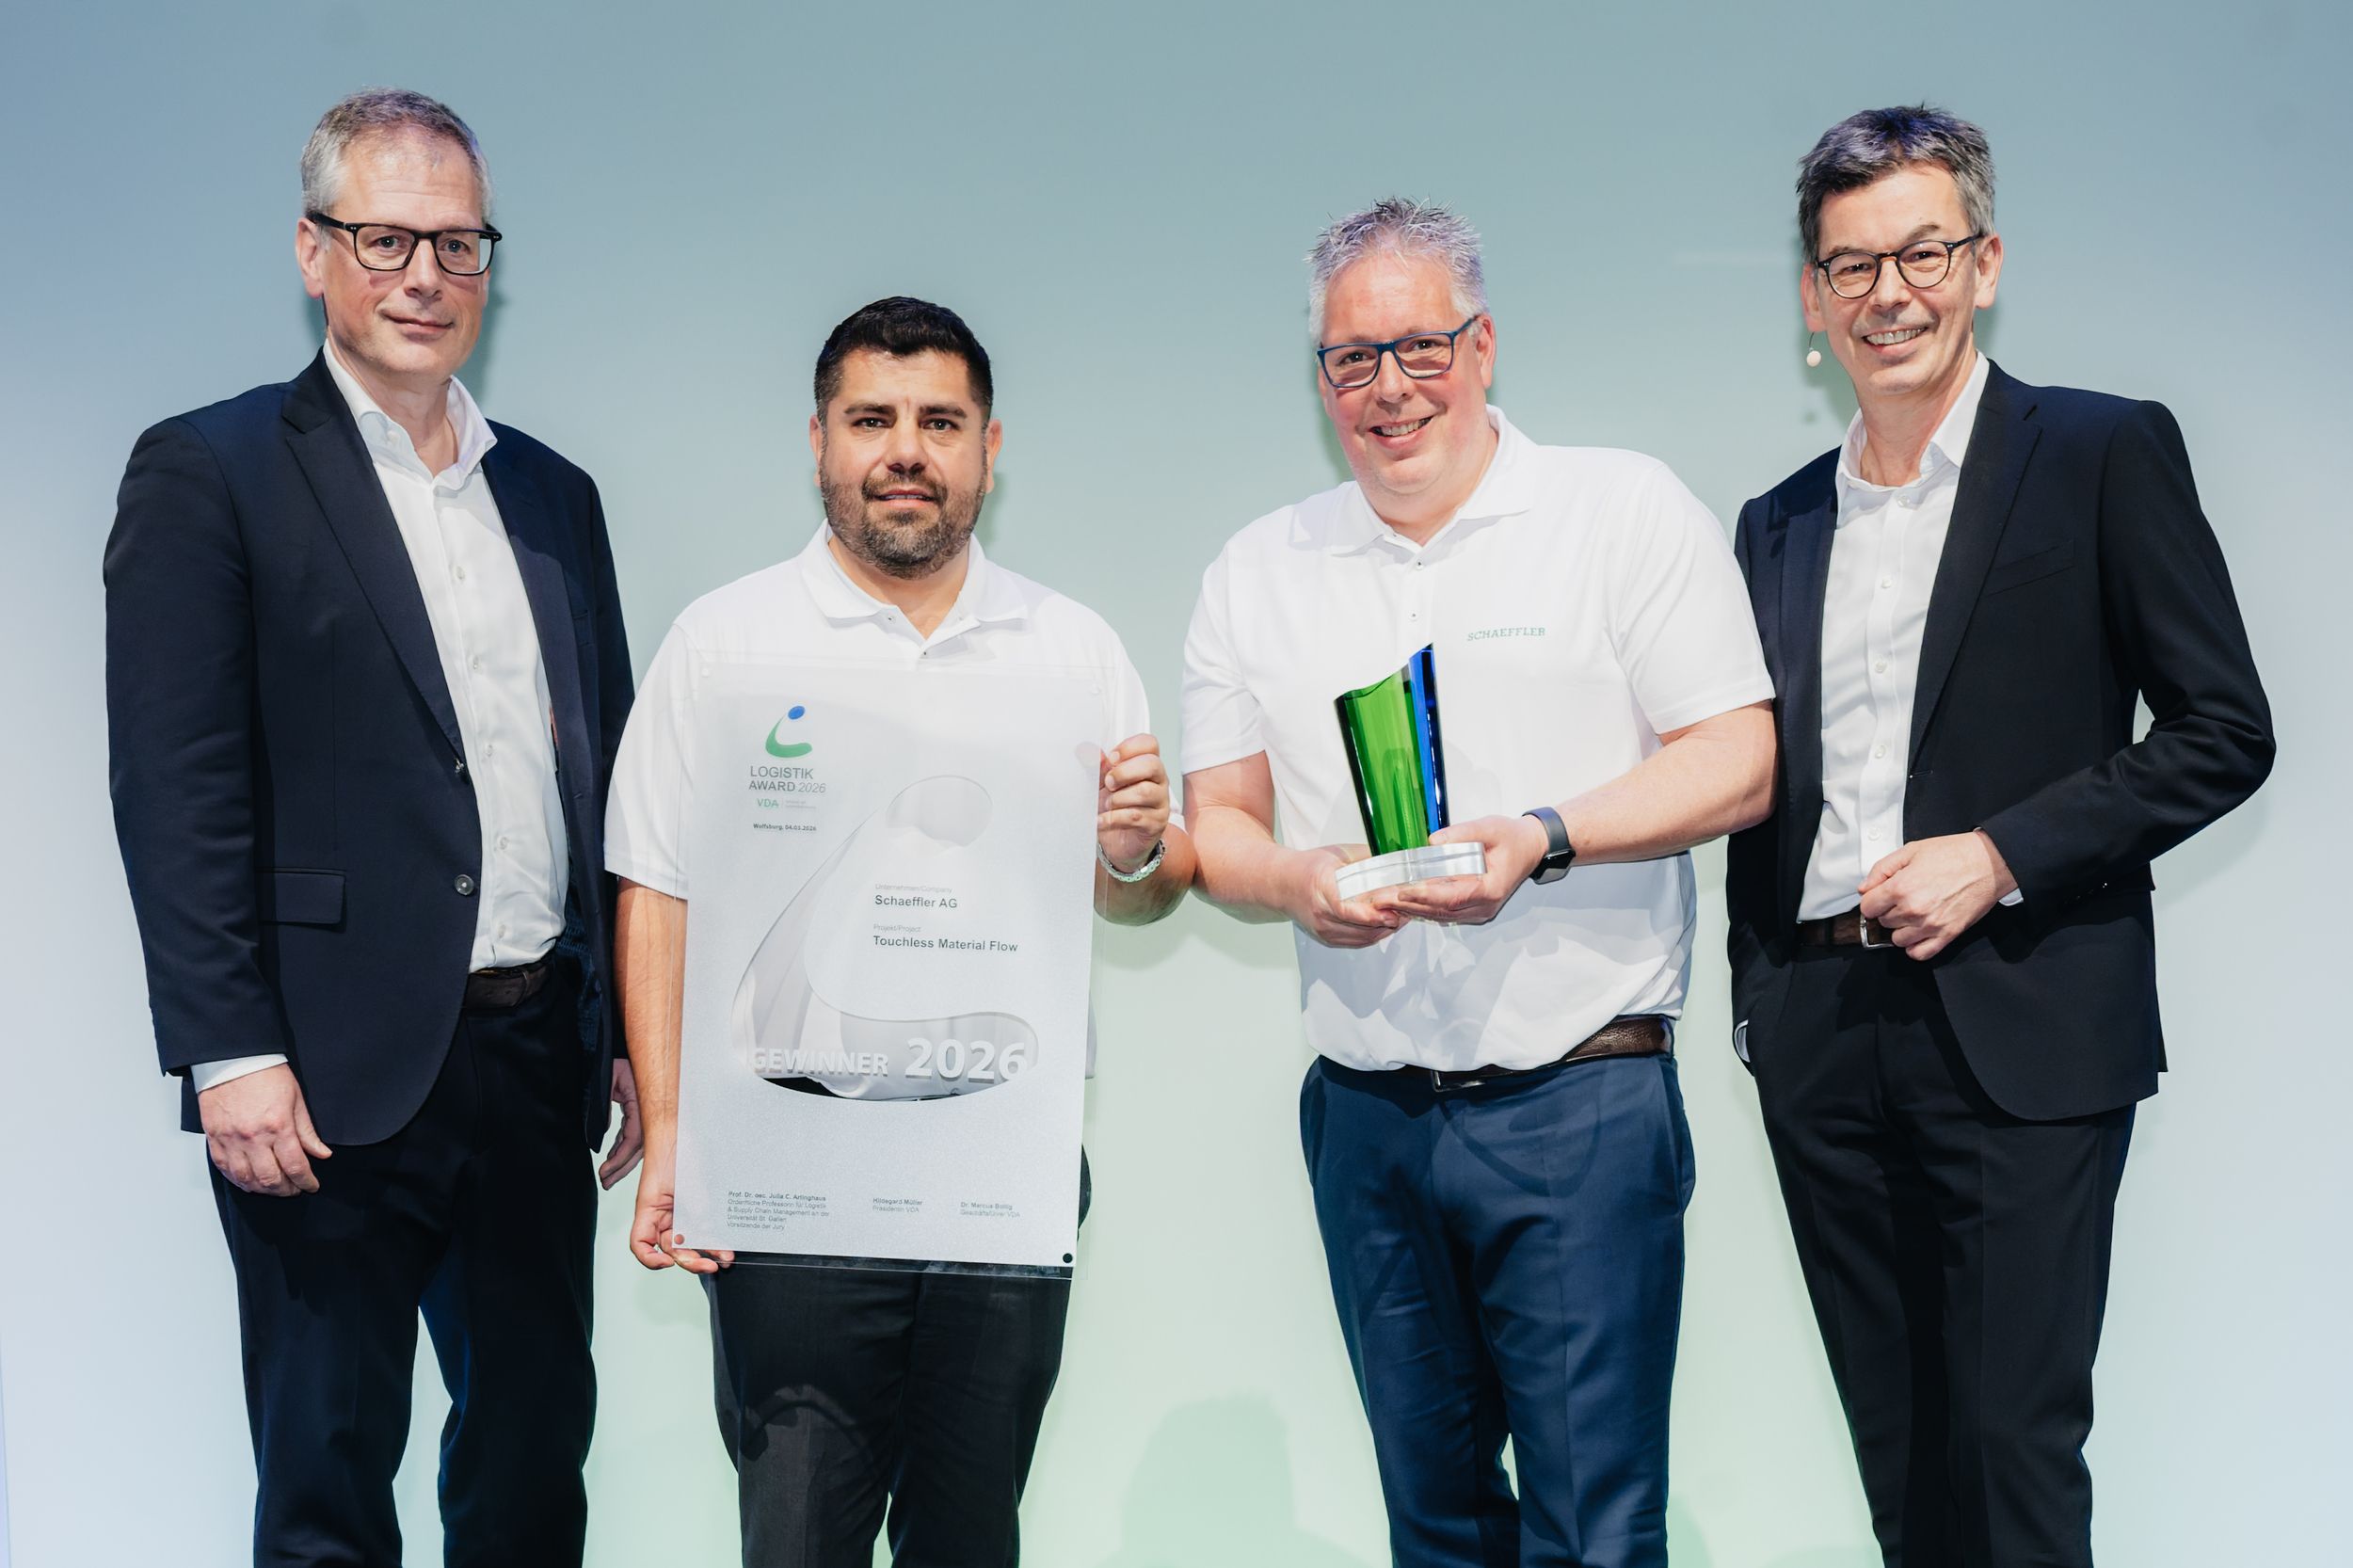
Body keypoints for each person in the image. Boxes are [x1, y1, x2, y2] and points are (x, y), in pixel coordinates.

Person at [1180, 199, 1775, 1568]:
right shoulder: (1258, 571)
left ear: (1484, 344)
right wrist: (1298, 879)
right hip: (1368, 1119)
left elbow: (1739, 757)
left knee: (1595, 1532)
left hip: (1579, 1099)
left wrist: (1545, 836)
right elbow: (1220, 827)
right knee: (1436, 1527)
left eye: (1421, 347)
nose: (1389, 386)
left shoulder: (1618, 511)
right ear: (1320, 377)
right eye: (1352, 358)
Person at [1725, 105, 2274, 1568]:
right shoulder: (1776, 521)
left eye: (1922, 253)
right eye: (1852, 265)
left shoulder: (2097, 450)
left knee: (2012, 1453)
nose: (1888, 293)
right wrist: (1761, 1001)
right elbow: (1761, 776)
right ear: (1812, 296)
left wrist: (2001, 852)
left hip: (2024, 1017)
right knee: (1900, 1463)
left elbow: (2225, 728)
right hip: (1823, 1029)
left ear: (1985, 263)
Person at [103, 88, 640, 1566]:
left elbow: (598, 772)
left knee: (533, 1465)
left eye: (457, 244)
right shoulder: (211, 471)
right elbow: (176, 782)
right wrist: (229, 1049)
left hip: (535, 1063)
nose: (425, 276)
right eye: (386, 238)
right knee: (328, 1482)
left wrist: (621, 1024)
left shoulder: (554, 495)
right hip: (319, 1075)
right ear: (313, 251)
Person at [608, 296, 1193, 1566]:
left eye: (941, 420)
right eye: (872, 419)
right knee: (798, 1537)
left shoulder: (1073, 649)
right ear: (820, 438)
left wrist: (1136, 850)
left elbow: (1137, 892)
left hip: (1001, 1173)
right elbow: (656, 888)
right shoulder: (723, 643)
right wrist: (673, 1133)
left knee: (972, 1537)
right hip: (787, 1184)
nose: (906, 450)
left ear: (991, 445)